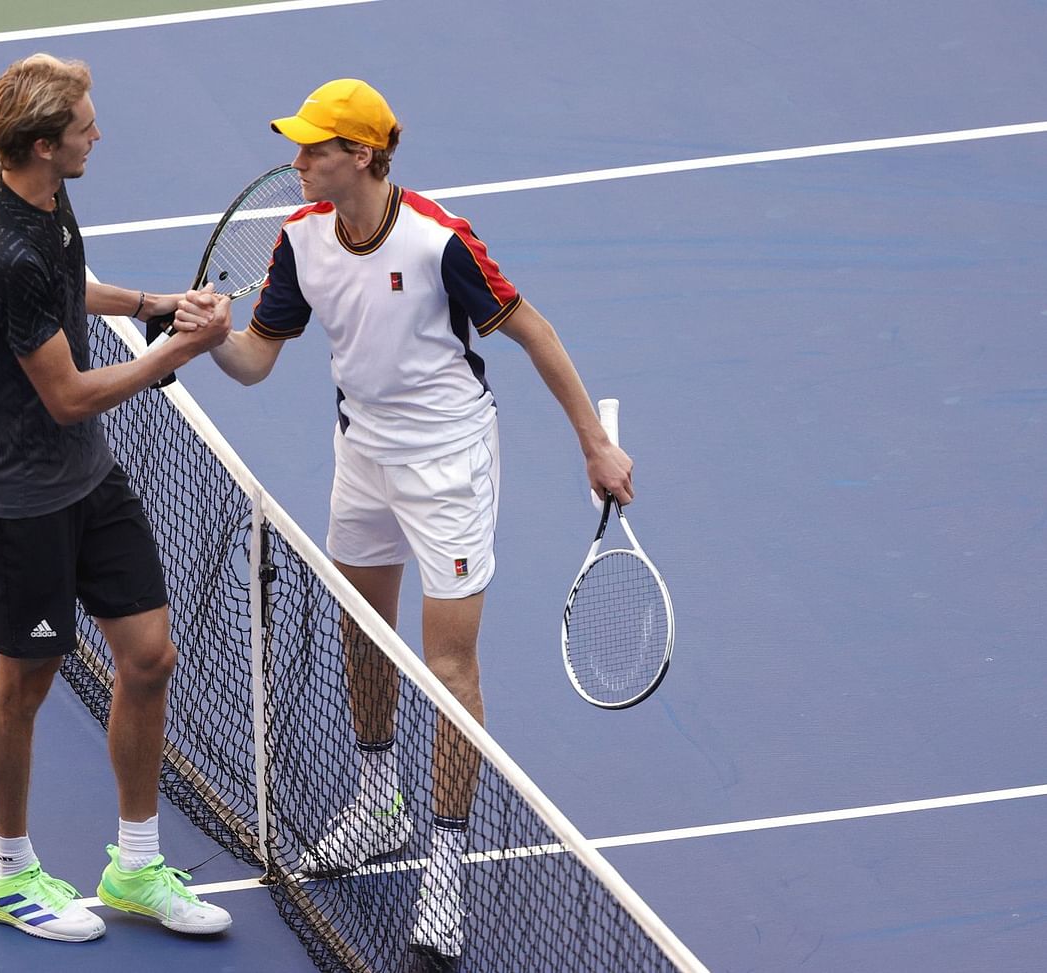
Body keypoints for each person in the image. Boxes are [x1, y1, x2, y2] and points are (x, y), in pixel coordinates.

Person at [207, 78, 634, 968]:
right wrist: (206, 333)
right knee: (363, 631)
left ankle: (443, 860)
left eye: (315, 148)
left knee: (447, 668)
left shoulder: (440, 240)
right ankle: (377, 803)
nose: (297, 161)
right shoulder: (301, 240)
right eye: (298, 146)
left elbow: (535, 333)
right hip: (361, 453)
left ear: (361, 154)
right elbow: (253, 363)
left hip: (449, 466)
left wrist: (593, 443)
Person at [0, 54, 234, 944]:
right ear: (44, 145)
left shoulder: (43, 199)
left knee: (149, 657)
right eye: (84, 126)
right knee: (26, 684)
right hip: (21, 503)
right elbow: (69, 393)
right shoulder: (5, 255)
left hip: (88, 478)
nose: (98, 133)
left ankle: (135, 863)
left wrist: (154, 302)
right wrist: (177, 353)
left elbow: (69, 287)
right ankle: (5, 873)